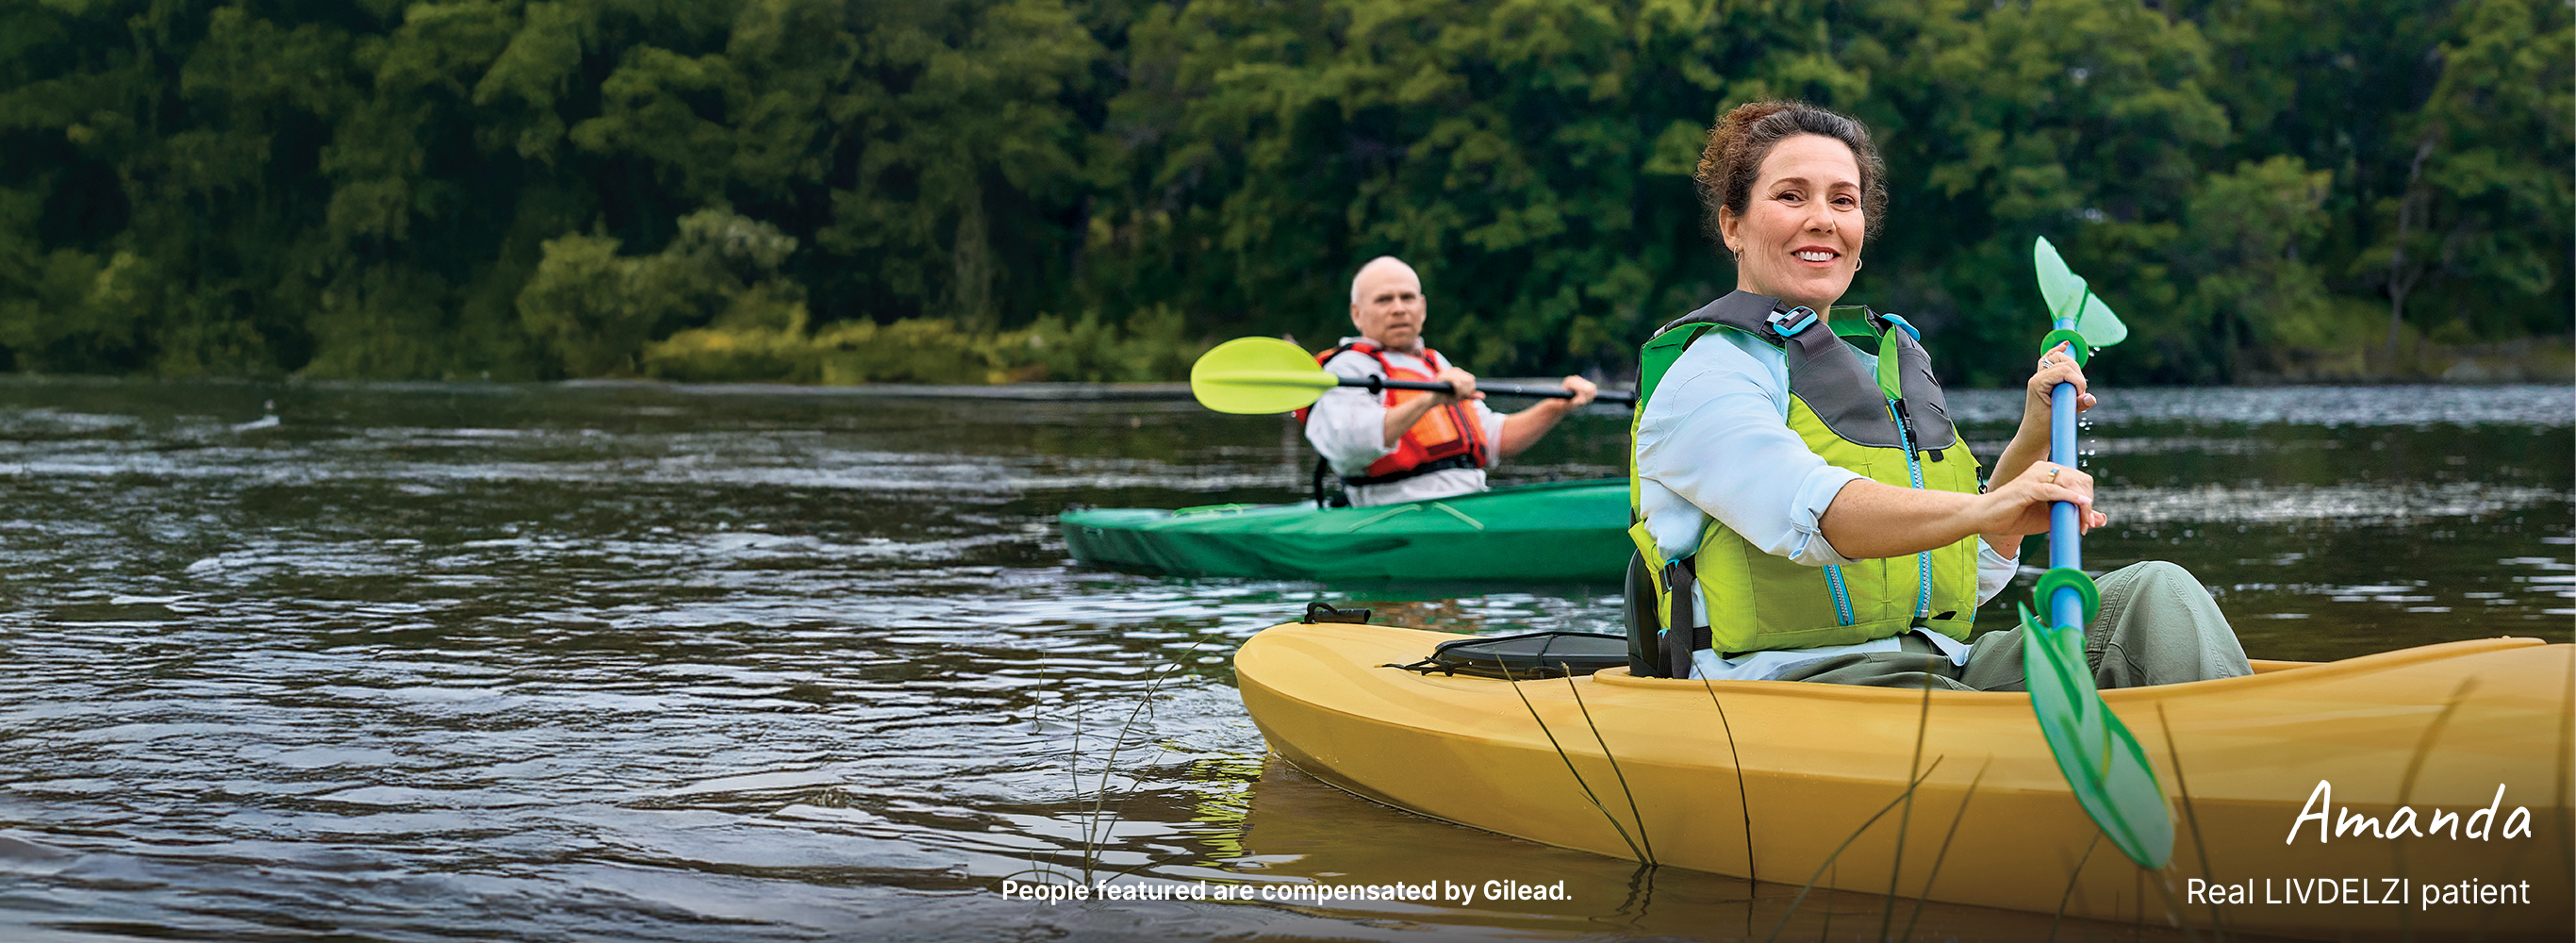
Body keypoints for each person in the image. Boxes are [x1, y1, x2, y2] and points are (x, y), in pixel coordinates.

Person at [1625, 101, 2249, 690]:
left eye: (1844, 200)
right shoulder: (1706, 376)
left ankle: (2249, 764)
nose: (1823, 218)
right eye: (1791, 196)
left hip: (1941, 665)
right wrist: (1988, 509)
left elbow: (1969, 571)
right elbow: (1817, 516)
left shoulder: (1882, 365)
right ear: (1732, 225)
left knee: (2154, 594)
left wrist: (2032, 435)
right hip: (1791, 689)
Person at [1300, 256, 1598, 507]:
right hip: (1394, 509)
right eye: (1383, 300)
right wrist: (1429, 399)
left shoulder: (1434, 364)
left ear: (1422, 307)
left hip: (1466, 501)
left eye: (1407, 298)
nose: (1398, 308)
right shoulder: (1348, 368)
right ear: (1357, 314)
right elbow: (1348, 445)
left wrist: (1557, 405)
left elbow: (1494, 438)